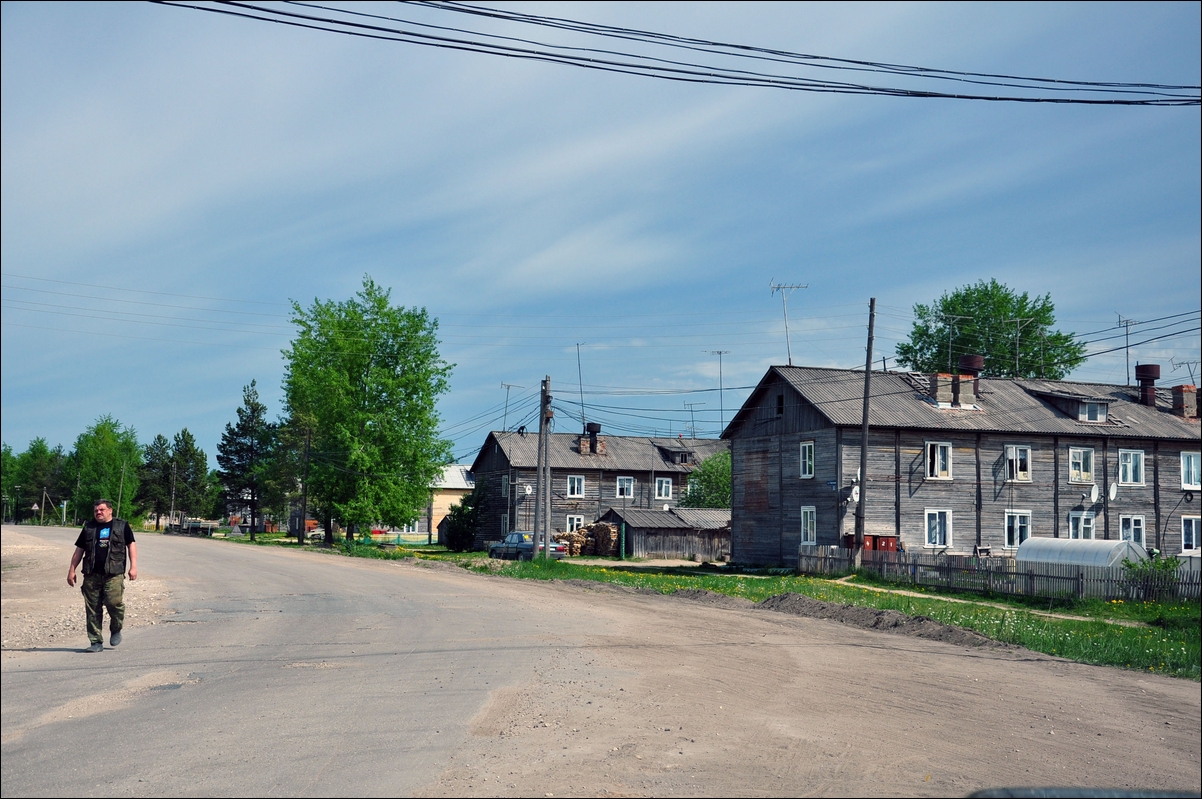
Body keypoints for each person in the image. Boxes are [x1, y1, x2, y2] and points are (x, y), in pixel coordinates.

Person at [67, 499, 138, 652]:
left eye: (102, 510)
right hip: (91, 574)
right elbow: (79, 550)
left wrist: (133, 566)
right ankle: (95, 642)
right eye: (96, 510)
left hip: (114, 573)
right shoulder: (89, 527)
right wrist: (72, 570)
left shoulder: (121, 525)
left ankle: (116, 628)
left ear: (110, 511)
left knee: (114, 603)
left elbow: (131, 544)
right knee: (92, 608)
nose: (98, 512)